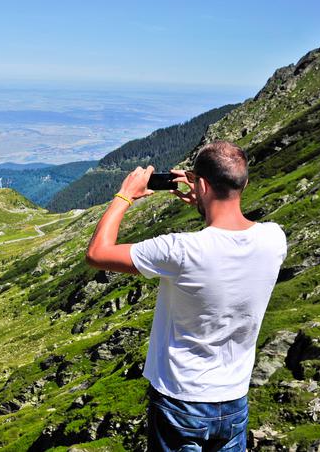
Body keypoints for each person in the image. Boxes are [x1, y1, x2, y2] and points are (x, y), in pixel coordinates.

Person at [85, 141, 287, 451]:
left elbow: (98, 253)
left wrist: (125, 194)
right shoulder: (274, 238)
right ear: (243, 183)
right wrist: (206, 200)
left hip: (181, 399)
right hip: (233, 399)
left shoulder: (180, 250)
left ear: (201, 184)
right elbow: (226, 241)